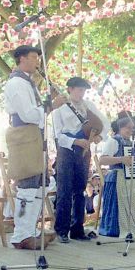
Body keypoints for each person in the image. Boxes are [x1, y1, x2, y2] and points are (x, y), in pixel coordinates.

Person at [4, 45, 65, 250]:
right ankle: (21, 233)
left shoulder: (27, 82)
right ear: (21, 59)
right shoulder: (17, 84)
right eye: (33, 57)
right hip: (25, 134)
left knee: (40, 184)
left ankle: (31, 230)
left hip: (34, 134)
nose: (37, 61)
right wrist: (51, 106)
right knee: (27, 186)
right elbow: (28, 114)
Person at [51, 76, 107, 243]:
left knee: (81, 189)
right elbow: (57, 135)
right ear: (69, 89)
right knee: (64, 190)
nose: (81, 93)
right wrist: (75, 141)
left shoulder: (89, 106)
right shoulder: (59, 108)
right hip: (67, 150)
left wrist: (99, 137)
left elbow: (105, 122)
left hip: (84, 150)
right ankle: (61, 230)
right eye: (78, 89)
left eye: (83, 90)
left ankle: (77, 229)